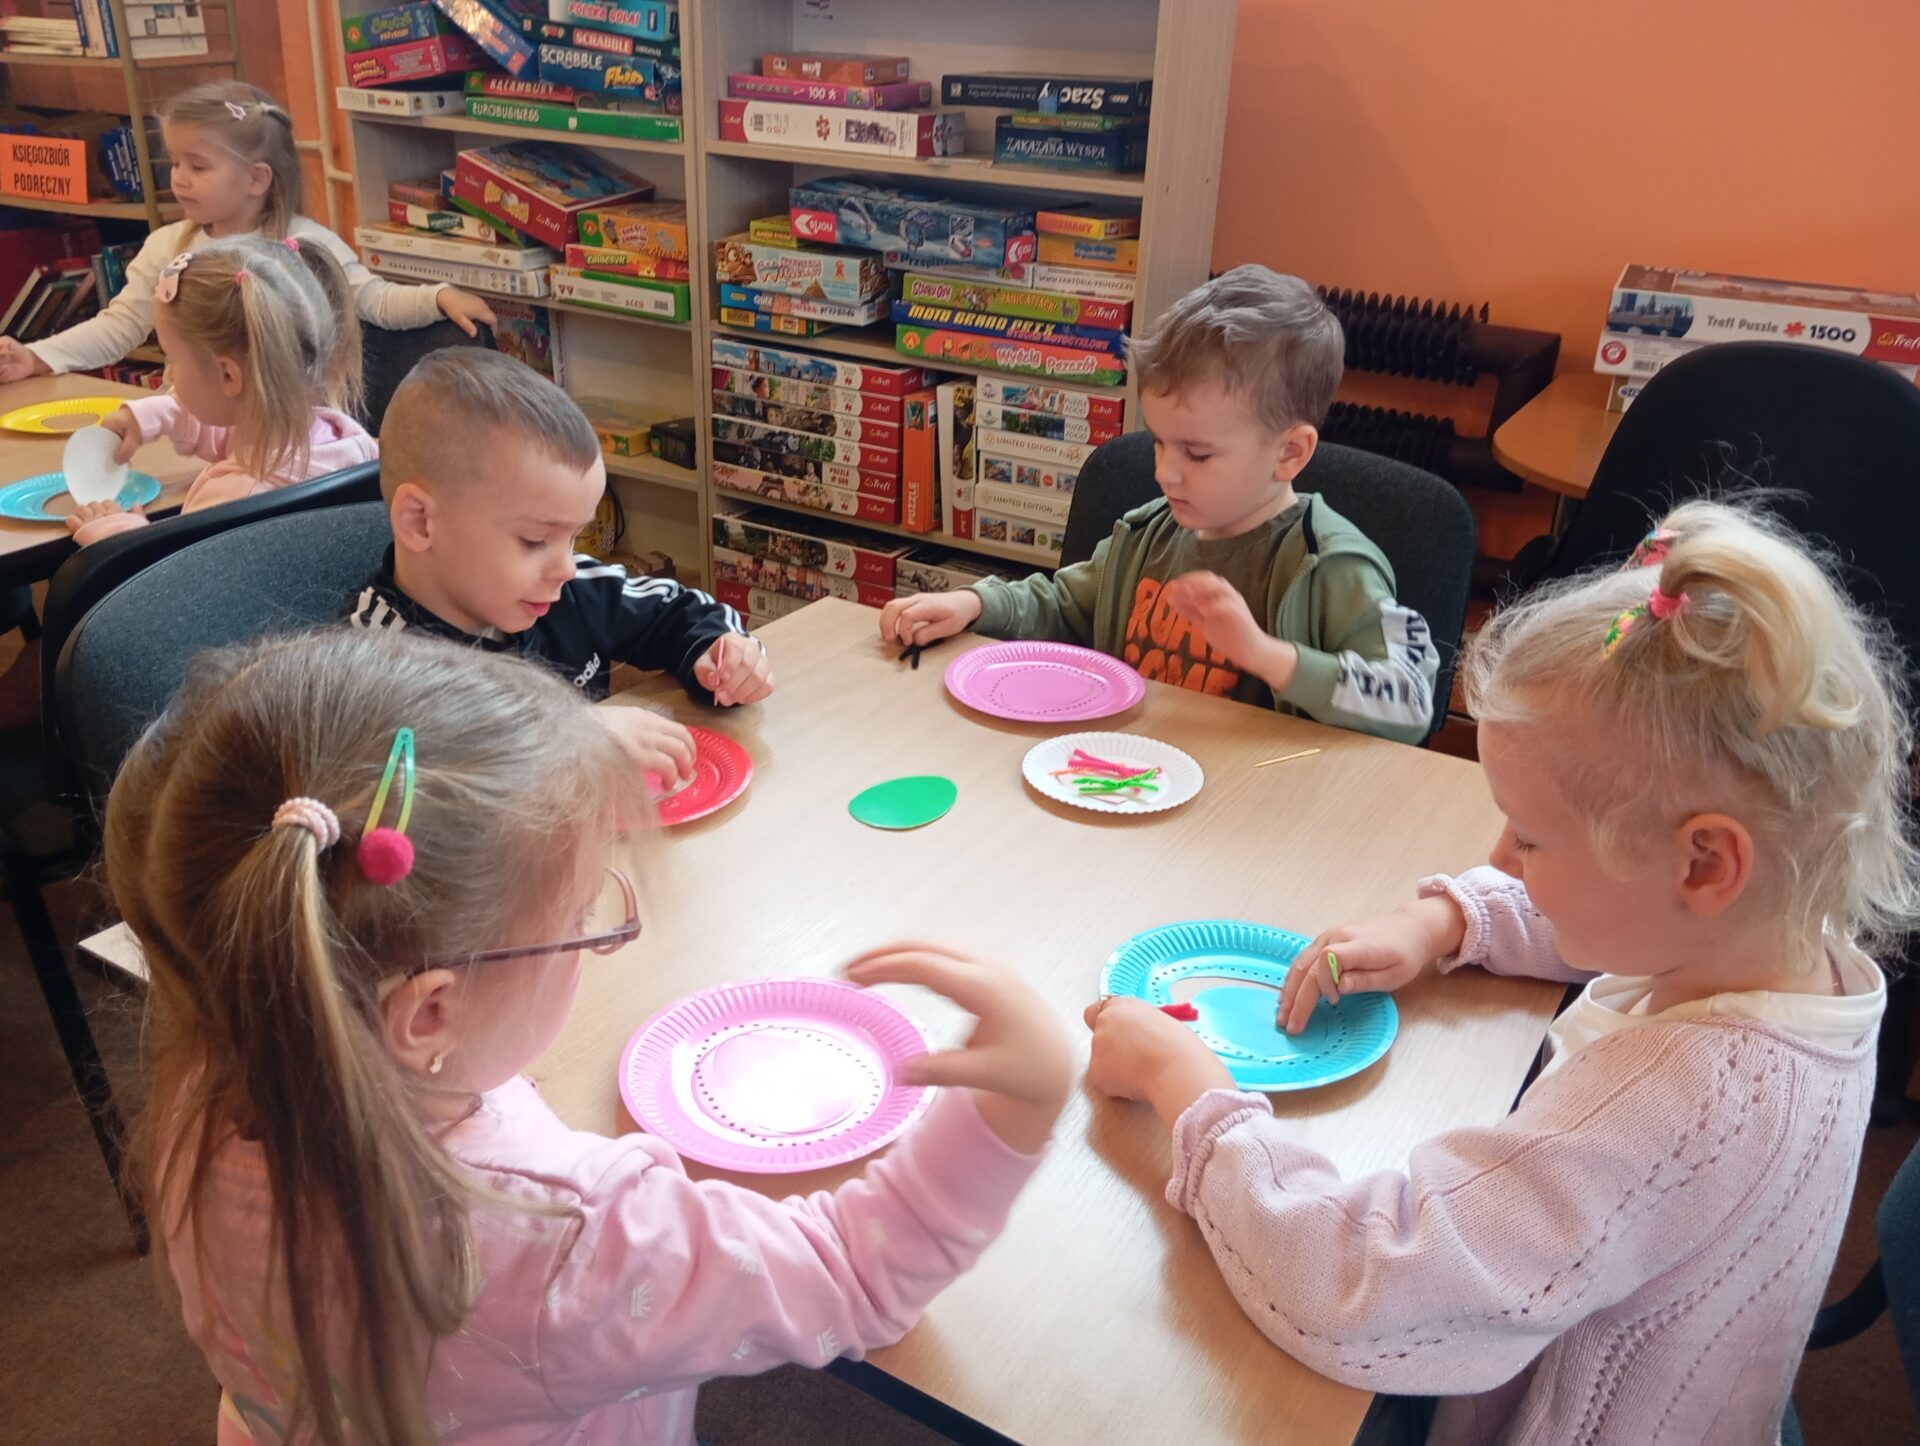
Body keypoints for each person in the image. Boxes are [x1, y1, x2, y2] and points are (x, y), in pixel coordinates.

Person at [116, 628, 1073, 1446]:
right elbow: (855, 1278)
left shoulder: (210, 1064)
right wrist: (1016, 1103)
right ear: (430, 1015)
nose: (596, 938)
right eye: (580, 919)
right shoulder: (567, 1239)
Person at [1085, 501, 1915, 1444]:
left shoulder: (1680, 1105)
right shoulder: (1793, 941)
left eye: (1529, 837)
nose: (1499, 858)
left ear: (1704, 862)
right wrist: (1443, 922)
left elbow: (1362, 1287)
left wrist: (1187, 1087)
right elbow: (1617, 914)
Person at [878, 265, 1440, 743]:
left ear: (1289, 452)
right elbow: (1066, 605)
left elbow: (1411, 702)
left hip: (1254, 804)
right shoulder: (1148, 533)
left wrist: (1265, 654)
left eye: (1197, 453)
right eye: (1159, 443)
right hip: (1132, 772)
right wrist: (975, 603)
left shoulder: (1333, 565)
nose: (1165, 472)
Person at [346, 348, 771, 784]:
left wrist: (722, 652)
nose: (565, 567)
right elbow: (429, 760)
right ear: (420, 521)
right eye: (535, 540)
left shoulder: (567, 588)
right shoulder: (367, 658)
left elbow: (676, 611)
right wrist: (575, 733)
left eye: (572, 537)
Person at [0, 80, 493, 385]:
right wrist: (38, 356)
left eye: (198, 166)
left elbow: (373, 300)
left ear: (257, 179)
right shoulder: (166, 246)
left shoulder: (306, 244)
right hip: (189, 429)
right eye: (175, 163)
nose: (179, 179)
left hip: (285, 436)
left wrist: (438, 296)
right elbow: (119, 327)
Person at [67, 234, 375, 546]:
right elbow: (228, 429)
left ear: (228, 375)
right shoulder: (344, 441)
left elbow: (182, 575)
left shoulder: (235, 498)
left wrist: (123, 537)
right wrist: (152, 416)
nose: (169, 373)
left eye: (173, 358)